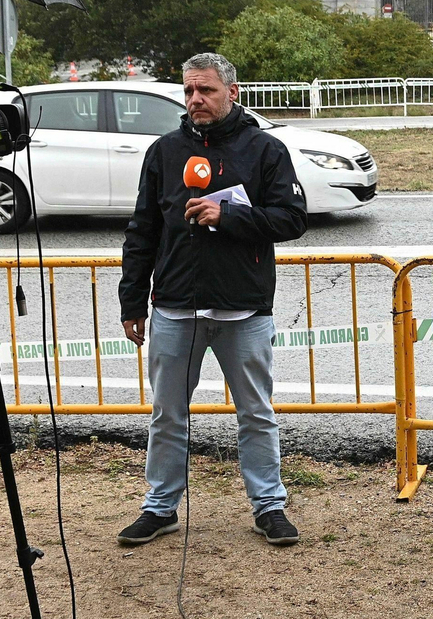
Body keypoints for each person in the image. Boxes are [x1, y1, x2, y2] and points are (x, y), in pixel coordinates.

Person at [117, 52, 309, 548]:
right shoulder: (164, 152)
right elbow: (143, 230)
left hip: (243, 308)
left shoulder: (264, 149)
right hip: (175, 307)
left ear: (233, 92)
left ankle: (269, 506)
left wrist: (227, 219)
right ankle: (160, 507)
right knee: (167, 414)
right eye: (189, 92)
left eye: (206, 91)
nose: (196, 100)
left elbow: (291, 219)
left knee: (256, 413)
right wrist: (132, 300)